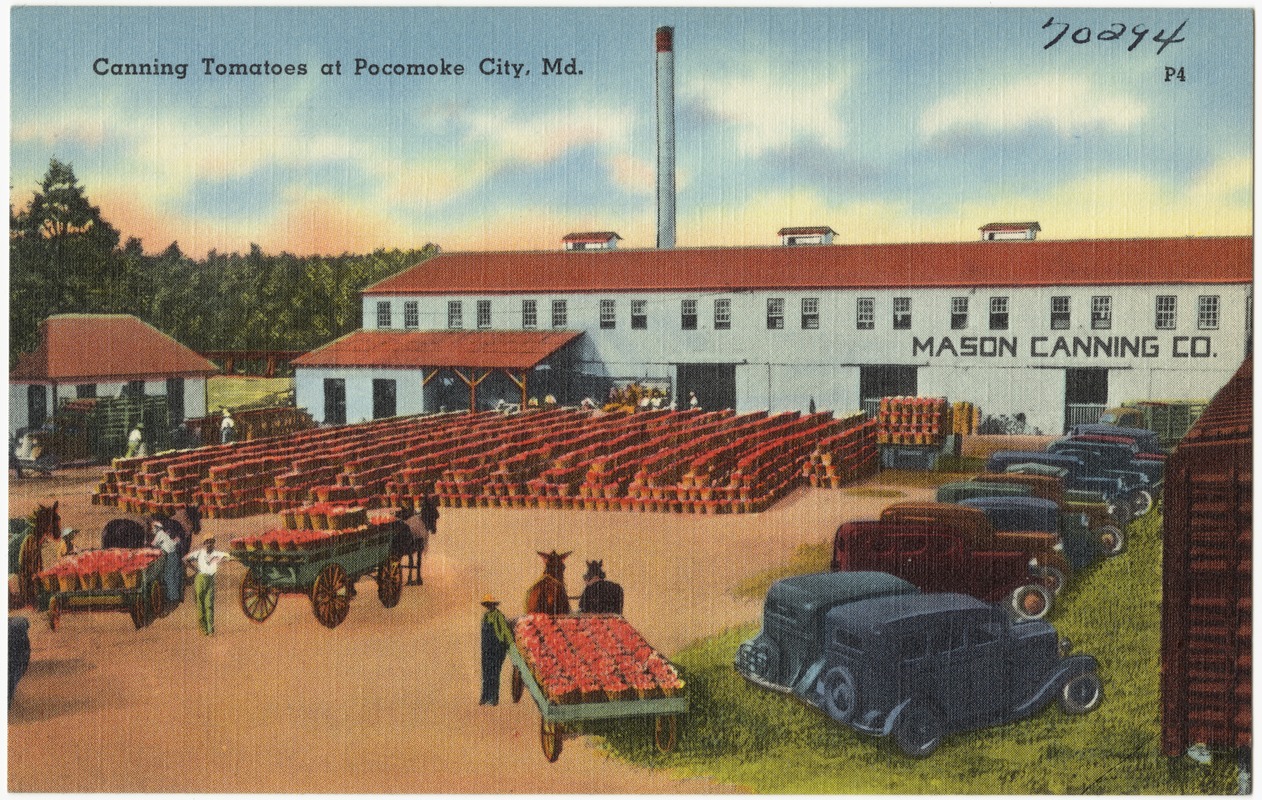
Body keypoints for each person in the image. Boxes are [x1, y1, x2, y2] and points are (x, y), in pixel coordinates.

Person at [186, 537, 232, 635]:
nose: (209, 544)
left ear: (213, 543)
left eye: (211, 542)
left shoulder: (216, 554)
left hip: (210, 580)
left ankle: (210, 630)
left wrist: (224, 559)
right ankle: (203, 630)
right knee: (200, 605)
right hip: (200, 579)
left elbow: (228, 556)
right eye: (207, 542)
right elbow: (185, 559)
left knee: (209, 605)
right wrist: (195, 569)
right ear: (204, 543)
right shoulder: (199, 553)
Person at [479, 594, 513, 705]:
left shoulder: (499, 616)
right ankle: (485, 696)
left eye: (491, 604)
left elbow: (505, 631)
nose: (489, 606)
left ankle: (493, 698)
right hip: (486, 649)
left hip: (497, 648)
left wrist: (511, 644)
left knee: (494, 673)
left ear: (494, 605)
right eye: (488, 604)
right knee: (486, 673)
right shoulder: (485, 616)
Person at [150, 519, 182, 606]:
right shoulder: (163, 534)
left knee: (169, 576)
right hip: (173, 555)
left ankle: (172, 598)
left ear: (157, 528)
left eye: (153, 528)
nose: (152, 529)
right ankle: (174, 596)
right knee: (171, 575)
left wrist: (147, 544)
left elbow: (153, 544)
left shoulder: (159, 534)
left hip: (170, 556)